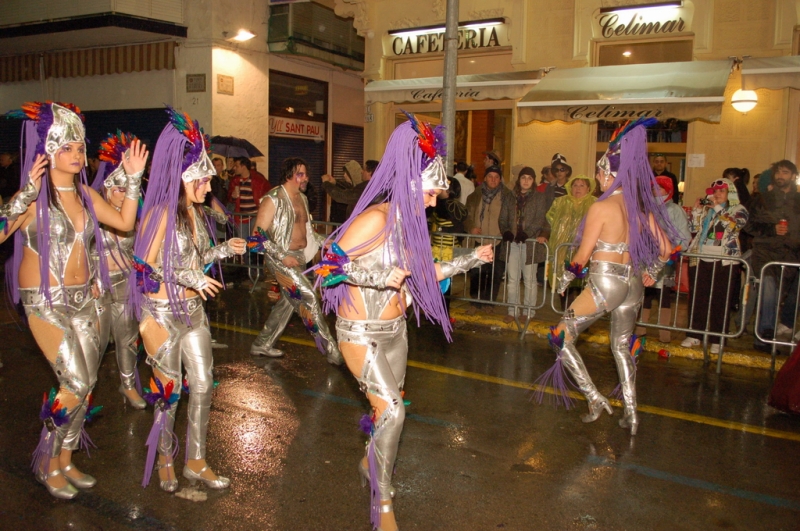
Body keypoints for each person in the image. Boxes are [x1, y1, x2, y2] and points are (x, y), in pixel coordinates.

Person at [311, 115, 492, 531]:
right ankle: (383, 503)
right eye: (431, 193)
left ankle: (368, 461)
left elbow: (426, 273)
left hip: (396, 334)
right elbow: (326, 266)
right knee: (393, 413)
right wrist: (375, 276)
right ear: (412, 184)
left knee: (387, 411)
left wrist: (470, 259)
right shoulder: (375, 219)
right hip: (359, 334)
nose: (433, 202)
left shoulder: (411, 226)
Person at [3, 102, 145, 499]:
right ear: (48, 151)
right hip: (45, 303)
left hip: (85, 300)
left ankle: (65, 458)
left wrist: (132, 181)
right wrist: (21, 196)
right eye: (68, 147)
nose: (77, 154)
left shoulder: (84, 194)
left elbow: (124, 223)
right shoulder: (34, 198)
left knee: (88, 383)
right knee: (75, 382)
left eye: (80, 147)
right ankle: (46, 463)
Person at [536, 119, 677, 436]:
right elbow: (668, 249)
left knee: (560, 336)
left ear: (610, 174)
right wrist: (651, 271)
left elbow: (581, 258)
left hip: (605, 284)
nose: (597, 178)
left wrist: (562, 281)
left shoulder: (601, 207)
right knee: (621, 348)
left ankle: (594, 397)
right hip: (633, 285)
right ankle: (632, 413)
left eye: (600, 173)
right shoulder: (640, 207)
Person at [131, 107, 245, 493]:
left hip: (194, 311)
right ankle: (165, 458)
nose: (210, 188)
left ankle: (195, 461)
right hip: (162, 313)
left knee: (203, 384)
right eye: (203, 180)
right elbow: (144, 267)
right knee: (169, 393)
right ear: (183, 176)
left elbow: (196, 260)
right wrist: (188, 275)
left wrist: (224, 250)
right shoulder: (159, 213)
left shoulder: (195, 214)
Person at [250, 157, 343, 365]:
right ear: (289, 175)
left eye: (306, 174)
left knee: (288, 302)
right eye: (300, 174)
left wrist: (325, 242)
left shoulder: (303, 198)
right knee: (308, 296)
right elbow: (257, 235)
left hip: (300, 258)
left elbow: (306, 231)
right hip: (280, 259)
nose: (305, 178)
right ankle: (331, 348)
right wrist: (283, 256)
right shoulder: (272, 199)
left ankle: (262, 343)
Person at [90, 131, 147, 409]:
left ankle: (127, 385)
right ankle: (82, 391)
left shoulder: (133, 217)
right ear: (106, 188)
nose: (124, 195)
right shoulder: (91, 215)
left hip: (126, 283)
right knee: (95, 344)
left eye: (128, 189)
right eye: (118, 189)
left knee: (127, 337)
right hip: (96, 286)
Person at [680, 178, 748, 353]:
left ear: (729, 194)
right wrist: (696, 211)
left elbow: (733, 227)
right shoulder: (707, 210)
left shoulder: (739, 210)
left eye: (722, 191)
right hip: (701, 257)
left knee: (720, 299)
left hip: (725, 260)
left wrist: (717, 209)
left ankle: (718, 339)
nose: (717, 195)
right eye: (715, 191)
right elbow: (694, 228)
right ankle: (695, 334)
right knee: (698, 297)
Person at [743, 160, 800, 351]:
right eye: (778, 172)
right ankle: (764, 337)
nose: (780, 176)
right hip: (765, 254)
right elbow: (748, 225)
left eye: (785, 173)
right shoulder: (761, 199)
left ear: (793, 176)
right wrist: (771, 229)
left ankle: (770, 334)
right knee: (768, 292)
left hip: (791, 255)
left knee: (780, 297)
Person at [635, 176, 692, 343]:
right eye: (653, 189)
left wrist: (674, 249)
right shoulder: (647, 209)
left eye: (659, 189)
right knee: (645, 292)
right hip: (646, 258)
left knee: (664, 295)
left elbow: (683, 236)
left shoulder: (675, 210)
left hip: (665, 259)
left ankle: (665, 333)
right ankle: (640, 328)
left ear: (668, 190)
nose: (655, 192)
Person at [498, 166, 549, 320]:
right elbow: (502, 217)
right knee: (512, 279)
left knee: (530, 280)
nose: (526, 181)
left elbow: (539, 219)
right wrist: (506, 230)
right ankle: (512, 310)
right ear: (519, 180)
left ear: (533, 181)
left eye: (529, 178)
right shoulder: (510, 197)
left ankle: (528, 311)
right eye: (523, 177)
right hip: (512, 243)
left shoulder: (539, 198)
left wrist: (527, 234)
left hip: (530, 244)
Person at [464, 165, 513, 306]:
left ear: (500, 179)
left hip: (498, 241)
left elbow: (511, 217)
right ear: (485, 178)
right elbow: (467, 215)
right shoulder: (474, 196)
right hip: (479, 240)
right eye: (490, 176)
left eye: (496, 177)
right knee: (477, 273)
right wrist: (471, 227)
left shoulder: (507, 196)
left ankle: (489, 303)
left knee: (495, 274)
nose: (493, 179)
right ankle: (475, 302)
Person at [546, 175, 597, 308]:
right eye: (575, 185)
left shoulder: (596, 203)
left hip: (585, 253)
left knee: (582, 287)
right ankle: (566, 316)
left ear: (588, 188)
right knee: (565, 285)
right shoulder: (560, 201)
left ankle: (581, 320)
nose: (577, 188)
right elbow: (550, 219)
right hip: (563, 251)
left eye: (582, 185)